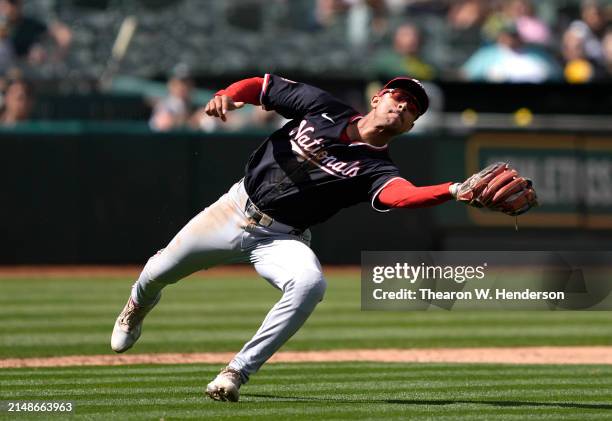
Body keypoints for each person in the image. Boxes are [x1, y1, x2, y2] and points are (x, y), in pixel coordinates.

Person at [110, 73, 535, 402]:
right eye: (399, 96)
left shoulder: (377, 169)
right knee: (156, 272)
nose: (403, 106)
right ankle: (135, 306)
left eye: (413, 109)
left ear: (409, 126)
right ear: (378, 98)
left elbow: (400, 196)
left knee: (311, 283)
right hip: (234, 209)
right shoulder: (322, 108)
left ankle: (235, 372)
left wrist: (452, 189)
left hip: (280, 237)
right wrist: (231, 94)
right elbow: (262, 86)